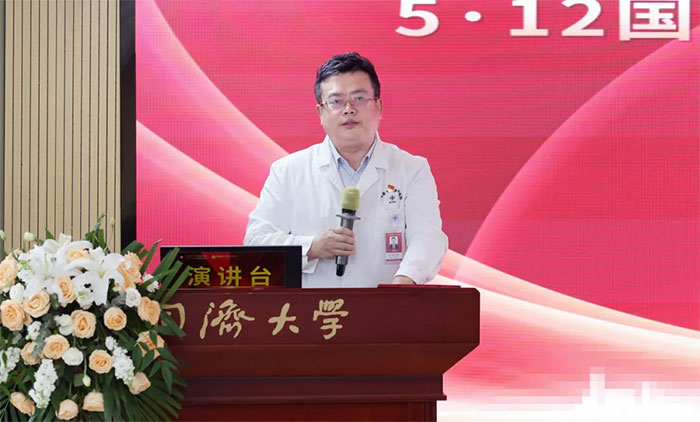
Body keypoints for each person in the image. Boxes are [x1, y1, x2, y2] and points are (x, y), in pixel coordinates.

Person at [244, 52, 448, 288]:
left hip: (385, 306)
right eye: (336, 101)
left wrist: (404, 281)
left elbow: (428, 236)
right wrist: (312, 247)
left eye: (359, 98)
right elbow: (256, 244)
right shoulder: (288, 171)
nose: (349, 109)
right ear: (320, 113)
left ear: (378, 106)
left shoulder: (411, 169)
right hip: (312, 308)